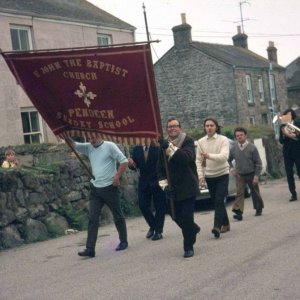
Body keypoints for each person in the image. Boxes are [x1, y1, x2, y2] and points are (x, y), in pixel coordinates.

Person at [75, 136, 129, 258]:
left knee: (117, 214)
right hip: (95, 188)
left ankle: (123, 241)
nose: (91, 141)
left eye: (92, 138)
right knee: (93, 217)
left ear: (99, 135)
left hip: (110, 187)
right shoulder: (89, 147)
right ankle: (90, 249)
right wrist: (63, 135)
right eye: (89, 139)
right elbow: (73, 145)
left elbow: (124, 161)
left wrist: (117, 176)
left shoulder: (110, 146)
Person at [158, 117, 200, 258]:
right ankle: (193, 229)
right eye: (170, 126)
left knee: (187, 217)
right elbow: (160, 170)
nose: (172, 129)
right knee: (174, 215)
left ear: (180, 127)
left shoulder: (187, 141)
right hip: (173, 188)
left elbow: (185, 158)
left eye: (175, 126)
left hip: (188, 186)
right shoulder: (162, 145)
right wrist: (164, 186)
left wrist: (169, 148)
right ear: (166, 129)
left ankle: (188, 246)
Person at [196, 117, 230, 239]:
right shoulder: (200, 142)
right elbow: (199, 161)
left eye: (211, 125)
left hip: (222, 173)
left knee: (219, 200)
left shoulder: (223, 139)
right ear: (204, 128)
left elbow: (224, 156)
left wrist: (209, 155)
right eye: (207, 126)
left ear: (216, 127)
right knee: (216, 200)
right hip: (209, 175)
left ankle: (217, 227)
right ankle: (226, 223)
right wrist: (201, 176)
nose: (209, 127)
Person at [128, 143, 166, 240]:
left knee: (159, 206)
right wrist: (132, 164)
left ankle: (158, 231)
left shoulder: (158, 147)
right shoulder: (136, 148)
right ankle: (153, 225)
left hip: (158, 180)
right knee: (143, 205)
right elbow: (135, 165)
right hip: (144, 181)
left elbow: (163, 163)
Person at [228, 127, 264, 220]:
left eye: (241, 135)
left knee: (255, 192)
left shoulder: (252, 147)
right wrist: (232, 169)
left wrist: (256, 176)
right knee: (239, 193)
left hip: (252, 173)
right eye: (237, 136)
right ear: (235, 137)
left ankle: (258, 208)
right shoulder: (233, 148)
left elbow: (258, 163)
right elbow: (228, 160)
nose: (239, 137)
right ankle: (238, 212)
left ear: (245, 135)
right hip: (240, 174)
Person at [279, 109, 300, 201]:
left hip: (298, 151)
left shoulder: (298, 123)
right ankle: (293, 194)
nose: (288, 117)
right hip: (287, 153)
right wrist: (285, 135)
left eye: (289, 115)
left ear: (292, 116)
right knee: (289, 174)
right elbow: (281, 141)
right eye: (286, 115)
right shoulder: (282, 126)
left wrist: (295, 136)